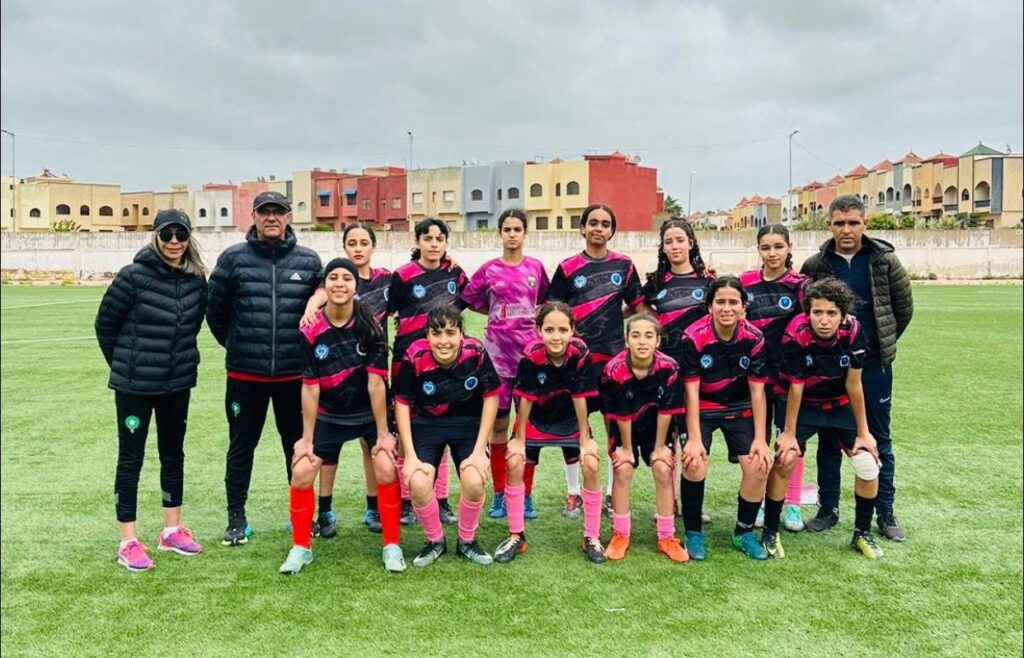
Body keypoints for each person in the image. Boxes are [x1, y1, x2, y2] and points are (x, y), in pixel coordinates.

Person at [206, 191, 322, 546]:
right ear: (254, 216)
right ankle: (236, 518)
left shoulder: (308, 261)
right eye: (264, 211)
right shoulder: (233, 259)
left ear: (288, 216)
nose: (272, 217)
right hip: (245, 376)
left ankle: (301, 515)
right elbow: (215, 312)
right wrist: (240, 345)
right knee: (241, 447)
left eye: (279, 211)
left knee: (297, 448)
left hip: (293, 376)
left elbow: (320, 310)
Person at [95, 209, 208, 571]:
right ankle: (128, 541)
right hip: (136, 386)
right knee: (131, 459)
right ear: (155, 236)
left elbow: (194, 328)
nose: (174, 241)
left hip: (177, 383)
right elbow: (105, 326)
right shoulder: (132, 277)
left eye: (181, 234)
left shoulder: (196, 281)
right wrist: (125, 365)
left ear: (188, 238)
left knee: (173, 454)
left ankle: (171, 530)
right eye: (167, 234)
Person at [279, 258, 404, 574]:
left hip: (366, 414)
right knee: (302, 471)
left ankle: (391, 546)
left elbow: (376, 384)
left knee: (386, 466)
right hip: (329, 414)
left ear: (355, 286)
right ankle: (300, 548)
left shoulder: (370, 327)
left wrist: (383, 433)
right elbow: (310, 387)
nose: (339, 283)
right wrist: (306, 440)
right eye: (332, 277)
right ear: (325, 284)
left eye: (346, 278)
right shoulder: (310, 329)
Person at [800, 195, 913, 541]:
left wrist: (878, 343)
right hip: (829, 368)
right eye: (839, 223)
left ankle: (885, 511)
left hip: (874, 366)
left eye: (853, 222)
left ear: (865, 223)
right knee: (829, 440)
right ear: (829, 225)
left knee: (878, 438)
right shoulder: (815, 264)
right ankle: (828, 508)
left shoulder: (885, 261)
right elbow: (806, 314)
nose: (846, 229)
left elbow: (903, 309)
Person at [760, 278, 884, 559]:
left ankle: (861, 533)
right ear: (808, 313)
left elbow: (854, 384)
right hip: (801, 403)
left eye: (831, 313)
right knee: (786, 457)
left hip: (838, 404)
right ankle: (770, 531)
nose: (824, 320)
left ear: (843, 315)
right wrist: (788, 433)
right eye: (817, 312)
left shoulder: (854, 331)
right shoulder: (797, 332)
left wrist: (863, 432)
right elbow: (796, 387)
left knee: (867, 462)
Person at [548, 204, 643, 517]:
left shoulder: (624, 265)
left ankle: (613, 494)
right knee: (574, 427)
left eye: (605, 224)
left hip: (614, 362)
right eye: (593, 223)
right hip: (576, 362)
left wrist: (615, 315)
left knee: (615, 426)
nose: (598, 228)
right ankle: (574, 492)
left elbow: (637, 306)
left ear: (612, 230)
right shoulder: (567, 268)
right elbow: (553, 312)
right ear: (582, 228)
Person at [460, 209, 554, 521]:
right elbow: (470, 298)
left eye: (517, 229)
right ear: (500, 233)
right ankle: (500, 493)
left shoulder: (535, 268)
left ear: (525, 233)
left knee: (525, 427)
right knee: (498, 426)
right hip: (497, 359)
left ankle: (524, 494)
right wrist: (496, 311)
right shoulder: (489, 270)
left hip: (529, 358)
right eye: (507, 229)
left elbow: (546, 301)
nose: (512, 234)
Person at [494, 302, 604, 564]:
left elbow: (580, 396)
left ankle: (592, 537)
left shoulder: (580, 352)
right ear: (539, 331)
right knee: (515, 461)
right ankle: (516, 536)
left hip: (569, 420)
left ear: (572, 330)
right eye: (550, 330)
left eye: (563, 330)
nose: (556, 336)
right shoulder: (531, 355)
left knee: (591, 463)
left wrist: (585, 440)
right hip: (537, 419)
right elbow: (525, 397)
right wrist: (519, 439)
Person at [302, 223, 391, 536]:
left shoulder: (385, 280)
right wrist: (310, 308)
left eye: (364, 242)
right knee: (329, 451)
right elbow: (318, 297)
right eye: (352, 243)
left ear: (373, 246)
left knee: (373, 446)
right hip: (334, 375)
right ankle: (325, 510)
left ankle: (373, 506)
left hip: (372, 373)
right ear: (344, 248)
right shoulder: (337, 278)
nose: (358, 248)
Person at [393, 306, 500, 567]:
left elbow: (491, 397)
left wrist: (479, 451)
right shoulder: (414, 355)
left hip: (468, 424)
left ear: (461, 334)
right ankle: (435, 541)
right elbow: (401, 403)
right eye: (436, 333)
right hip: (426, 424)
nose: (444, 341)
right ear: (427, 335)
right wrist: (410, 456)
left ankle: (467, 541)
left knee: (474, 480)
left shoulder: (476, 352)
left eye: (451, 333)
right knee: (418, 482)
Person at [678, 276, 771, 561]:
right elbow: (690, 392)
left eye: (733, 302)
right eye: (720, 302)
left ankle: (743, 532)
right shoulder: (693, 336)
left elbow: (758, 392)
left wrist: (760, 439)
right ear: (710, 307)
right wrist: (694, 440)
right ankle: (693, 533)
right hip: (702, 407)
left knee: (759, 465)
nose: (727, 308)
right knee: (694, 462)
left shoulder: (754, 338)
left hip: (739, 407)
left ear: (744, 307)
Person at [388, 217, 468, 527]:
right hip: (408, 362)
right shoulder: (403, 275)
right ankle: (406, 500)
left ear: (446, 242)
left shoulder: (455, 274)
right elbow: (388, 312)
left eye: (439, 238)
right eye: (428, 238)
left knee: (440, 423)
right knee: (404, 428)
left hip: (445, 363)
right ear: (417, 241)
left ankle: (442, 498)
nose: (434, 244)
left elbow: (467, 303)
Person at [638, 217, 714, 523]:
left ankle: (692, 504)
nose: (674, 246)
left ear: (691, 243)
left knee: (692, 438)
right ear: (663, 247)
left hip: (699, 373)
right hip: (664, 374)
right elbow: (637, 309)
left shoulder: (707, 281)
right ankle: (668, 505)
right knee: (666, 437)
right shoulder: (656, 284)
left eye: (680, 240)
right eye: (668, 242)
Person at [739, 224, 810, 533]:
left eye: (778, 247)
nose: (772, 253)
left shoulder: (800, 285)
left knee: (791, 440)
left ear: (789, 247)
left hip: (788, 377)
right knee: (759, 438)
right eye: (766, 247)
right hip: (754, 376)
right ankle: (759, 501)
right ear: (758, 249)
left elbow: (815, 318)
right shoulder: (746, 282)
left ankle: (792, 503)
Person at [600, 314, 688, 563]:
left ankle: (666, 537)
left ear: (658, 341)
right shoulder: (614, 370)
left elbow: (667, 411)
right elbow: (620, 414)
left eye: (649, 336)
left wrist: (660, 447)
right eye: (635, 335)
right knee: (623, 467)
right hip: (624, 426)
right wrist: (626, 449)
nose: (642, 341)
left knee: (662, 467)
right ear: (626, 340)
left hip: (656, 427)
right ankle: (620, 534)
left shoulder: (669, 367)